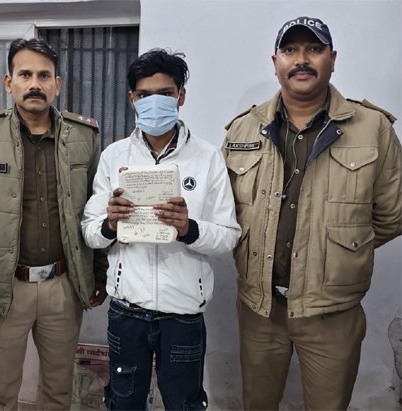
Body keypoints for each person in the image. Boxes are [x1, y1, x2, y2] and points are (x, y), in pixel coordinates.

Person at [223, 16, 402, 410]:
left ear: (332, 59)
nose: (301, 59)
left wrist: (341, 249)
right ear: (275, 62)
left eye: (314, 49)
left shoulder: (372, 128)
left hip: (332, 314)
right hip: (260, 309)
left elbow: (392, 216)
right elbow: (225, 212)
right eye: (290, 50)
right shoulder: (242, 131)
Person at [0, 37, 108, 410]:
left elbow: (95, 212)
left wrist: (97, 274)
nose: (35, 84)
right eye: (25, 74)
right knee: (3, 390)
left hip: (64, 287)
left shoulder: (84, 138)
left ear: (57, 84)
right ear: (9, 82)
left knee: (57, 390)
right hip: (4, 287)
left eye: (44, 76)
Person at [81, 49, 241, 410]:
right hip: (127, 311)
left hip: (183, 314)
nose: (154, 103)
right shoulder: (114, 156)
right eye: (144, 95)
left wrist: (189, 229)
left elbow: (228, 236)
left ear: (181, 96)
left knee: (184, 403)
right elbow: (90, 232)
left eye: (165, 93)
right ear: (132, 100)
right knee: (123, 402)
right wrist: (110, 224)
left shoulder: (207, 158)